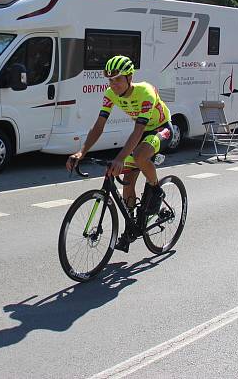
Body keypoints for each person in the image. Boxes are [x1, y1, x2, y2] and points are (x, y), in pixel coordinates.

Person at [66, 55, 173, 253]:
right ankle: (130, 229)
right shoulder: (110, 94)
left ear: (129, 77)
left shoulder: (145, 92)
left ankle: (156, 189)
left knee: (140, 156)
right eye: (110, 80)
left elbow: (138, 131)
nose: (113, 84)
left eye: (118, 79)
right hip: (141, 134)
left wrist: (120, 158)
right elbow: (98, 126)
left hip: (160, 129)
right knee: (127, 181)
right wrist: (82, 151)